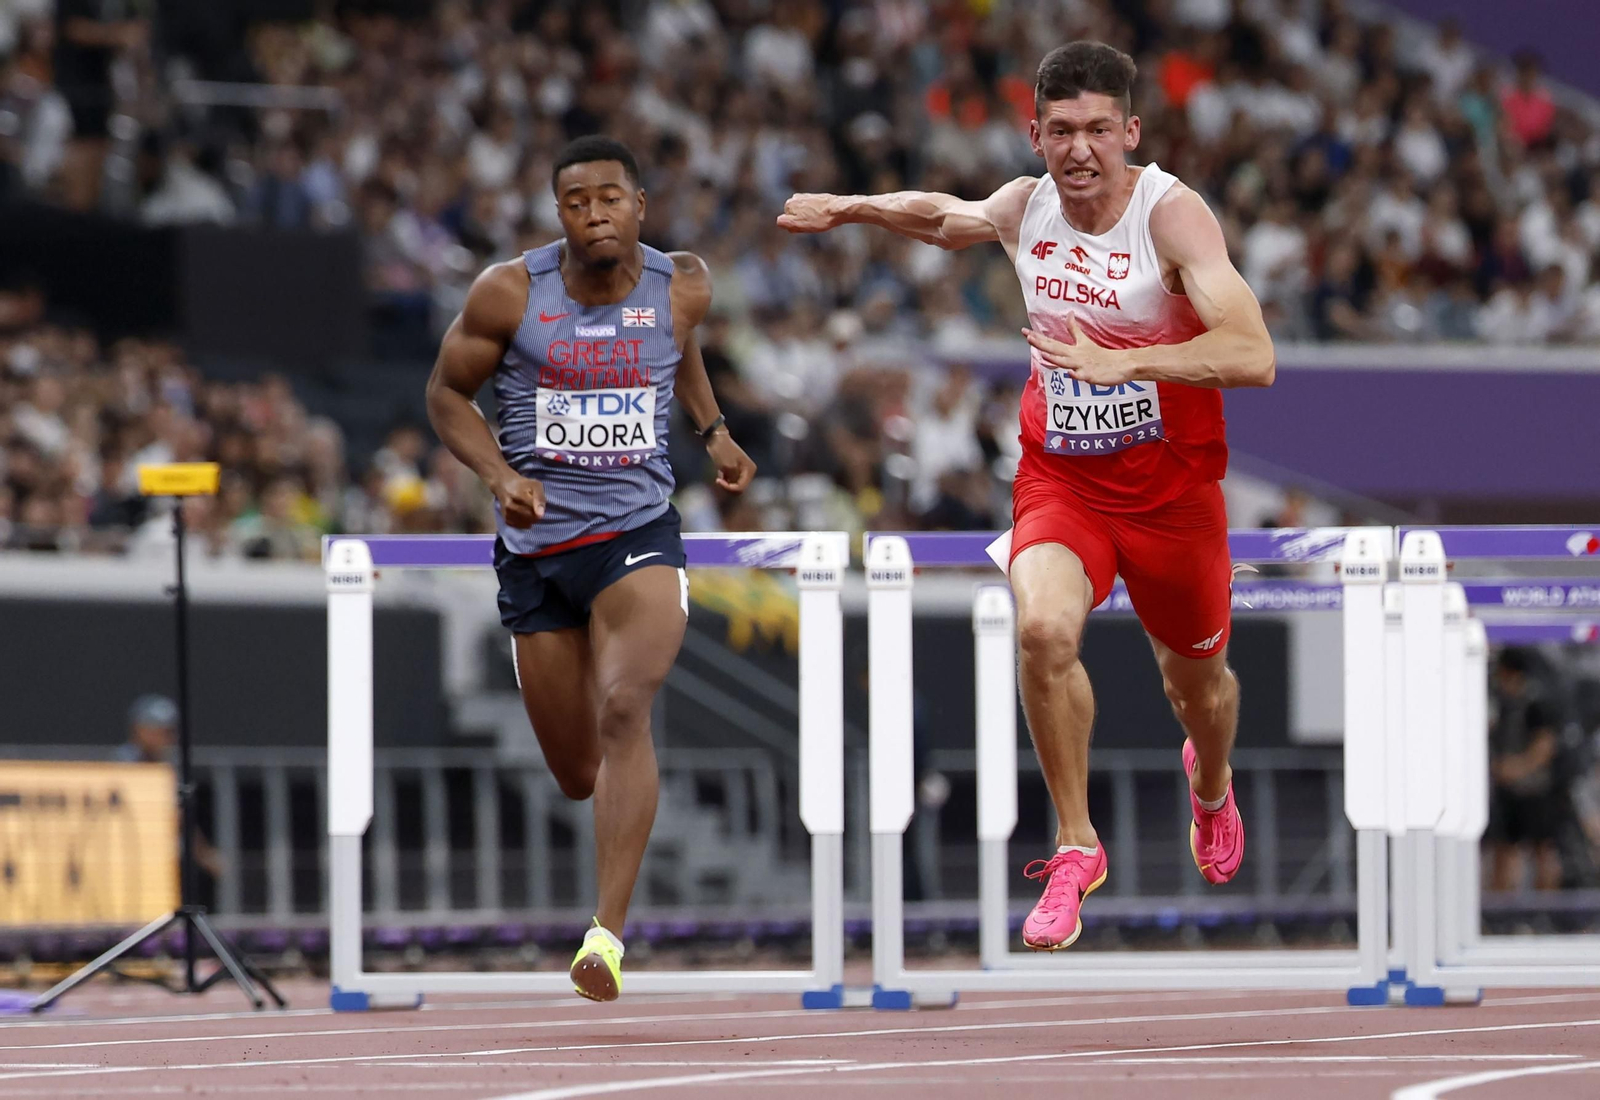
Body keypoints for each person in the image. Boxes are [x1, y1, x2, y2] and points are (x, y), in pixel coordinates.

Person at [780, 41, 1273, 950]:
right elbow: (941, 216)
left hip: (1171, 491)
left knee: (1198, 690)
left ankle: (1211, 785)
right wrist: (853, 207)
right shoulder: (1023, 205)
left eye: (1096, 130)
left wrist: (1126, 358)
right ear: (1035, 134)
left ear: (1130, 131)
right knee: (1043, 629)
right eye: (1060, 131)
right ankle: (1077, 846)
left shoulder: (1172, 217)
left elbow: (1253, 353)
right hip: (1064, 478)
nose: (1079, 149)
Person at [426, 135, 756, 1000]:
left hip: (635, 531)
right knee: (577, 771)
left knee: (624, 706)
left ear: (640, 205)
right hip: (538, 554)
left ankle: (605, 935)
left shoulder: (682, 282)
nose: (595, 213)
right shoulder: (509, 292)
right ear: (559, 213)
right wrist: (500, 476)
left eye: (611, 197)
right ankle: (603, 893)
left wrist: (712, 429)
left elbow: (676, 346)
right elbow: (444, 395)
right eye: (577, 202)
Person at [1485, 649, 1570, 892]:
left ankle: (1546, 912)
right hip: (1508, 791)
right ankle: (1502, 916)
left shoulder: (1536, 702)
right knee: (1505, 850)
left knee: (1542, 850)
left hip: (1536, 790)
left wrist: (1516, 768)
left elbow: (1545, 746)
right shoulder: (1500, 703)